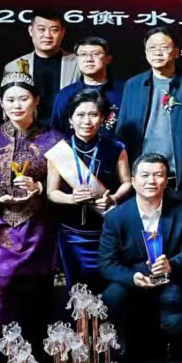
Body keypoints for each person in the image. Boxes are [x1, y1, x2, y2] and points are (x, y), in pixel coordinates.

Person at [0, 75, 66, 346]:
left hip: (39, 226)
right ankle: (1, 351)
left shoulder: (54, 139)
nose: (17, 105)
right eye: (10, 100)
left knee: (38, 290)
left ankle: (39, 349)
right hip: (1, 226)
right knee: (3, 288)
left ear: (36, 100)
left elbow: (65, 183)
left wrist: (39, 187)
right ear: (2, 104)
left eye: (24, 98)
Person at [98, 153, 182, 357]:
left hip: (171, 278)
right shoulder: (116, 217)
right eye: (145, 175)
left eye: (158, 175)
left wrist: (171, 265)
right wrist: (133, 277)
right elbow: (107, 263)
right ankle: (122, 355)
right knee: (111, 298)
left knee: (177, 317)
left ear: (166, 181)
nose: (151, 181)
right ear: (133, 181)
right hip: (135, 277)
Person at [46, 89, 131, 292]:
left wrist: (113, 198)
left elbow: (127, 183)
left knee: (106, 290)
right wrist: (71, 199)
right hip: (71, 234)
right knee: (76, 290)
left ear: (103, 118)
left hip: (106, 232)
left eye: (93, 114)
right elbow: (51, 192)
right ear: (70, 119)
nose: (87, 121)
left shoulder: (116, 148)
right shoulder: (60, 151)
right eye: (80, 115)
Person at [118, 27, 182, 197]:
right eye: (152, 48)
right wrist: (124, 175)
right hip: (141, 175)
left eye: (164, 47)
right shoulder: (133, 85)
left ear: (176, 52)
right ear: (145, 53)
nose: (157, 53)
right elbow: (122, 132)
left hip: (180, 176)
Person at [49, 36, 121, 131]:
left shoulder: (125, 91)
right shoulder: (65, 94)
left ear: (108, 58)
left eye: (96, 54)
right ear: (76, 59)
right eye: (83, 54)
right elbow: (56, 132)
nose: (89, 59)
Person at [2, 8, 79, 94]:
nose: (47, 35)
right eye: (41, 29)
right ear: (31, 31)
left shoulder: (78, 63)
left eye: (54, 30)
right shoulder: (13, 67)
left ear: (62, 32)